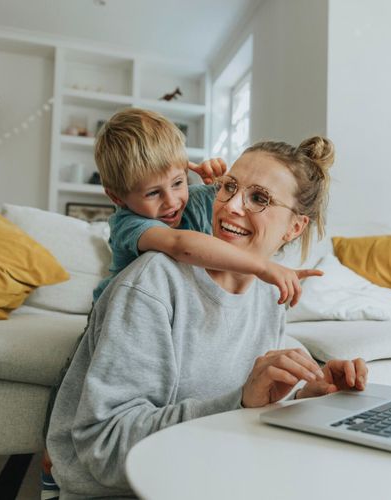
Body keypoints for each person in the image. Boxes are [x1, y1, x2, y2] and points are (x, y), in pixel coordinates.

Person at [46, 136, 368, 498]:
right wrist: (241, 402)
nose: (230, 206)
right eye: (229, 187)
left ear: (295, 228)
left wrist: (306, 399)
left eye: (258, 198)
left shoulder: (268, 296)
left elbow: (246, 410)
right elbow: (103, 448)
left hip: (207, 476)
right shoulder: (152, 283)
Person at [91, 108, 321, 306]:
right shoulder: (128, 223)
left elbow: (236, 199)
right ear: (117, 198)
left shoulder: (195, 198)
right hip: (122, 314)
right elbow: (180, 245)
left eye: (178, 183)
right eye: (153, 193)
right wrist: (262, 267)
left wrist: (220, 182)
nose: (172, 201)